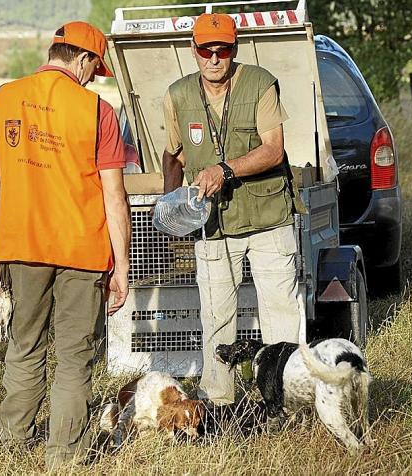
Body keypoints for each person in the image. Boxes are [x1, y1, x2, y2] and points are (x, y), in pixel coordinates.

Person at [0, 21, 131, 468]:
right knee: (75, 357)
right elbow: (114, 197)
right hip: (82, 252)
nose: (91, 78)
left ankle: (10, 443)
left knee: (24, 347)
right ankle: (64, 455)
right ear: (82, 59)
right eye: (93, 69)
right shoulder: (96, 110)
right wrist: (122, 266)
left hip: (21, 248)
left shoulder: (2, 97)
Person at [162, 13, 300, 405]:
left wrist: (225, 169)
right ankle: (218, 403)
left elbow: (274, 149)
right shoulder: (177, 94)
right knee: (216, 318)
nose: (214, 58)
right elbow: (172, 155)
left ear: (234, 49)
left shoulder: (259, 83)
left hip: (269, 218)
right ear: (194, 51)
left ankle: (283, 401)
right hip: (214, 225)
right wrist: (171, 210)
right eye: (206, 50)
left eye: (222, 50)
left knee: (281, 314)